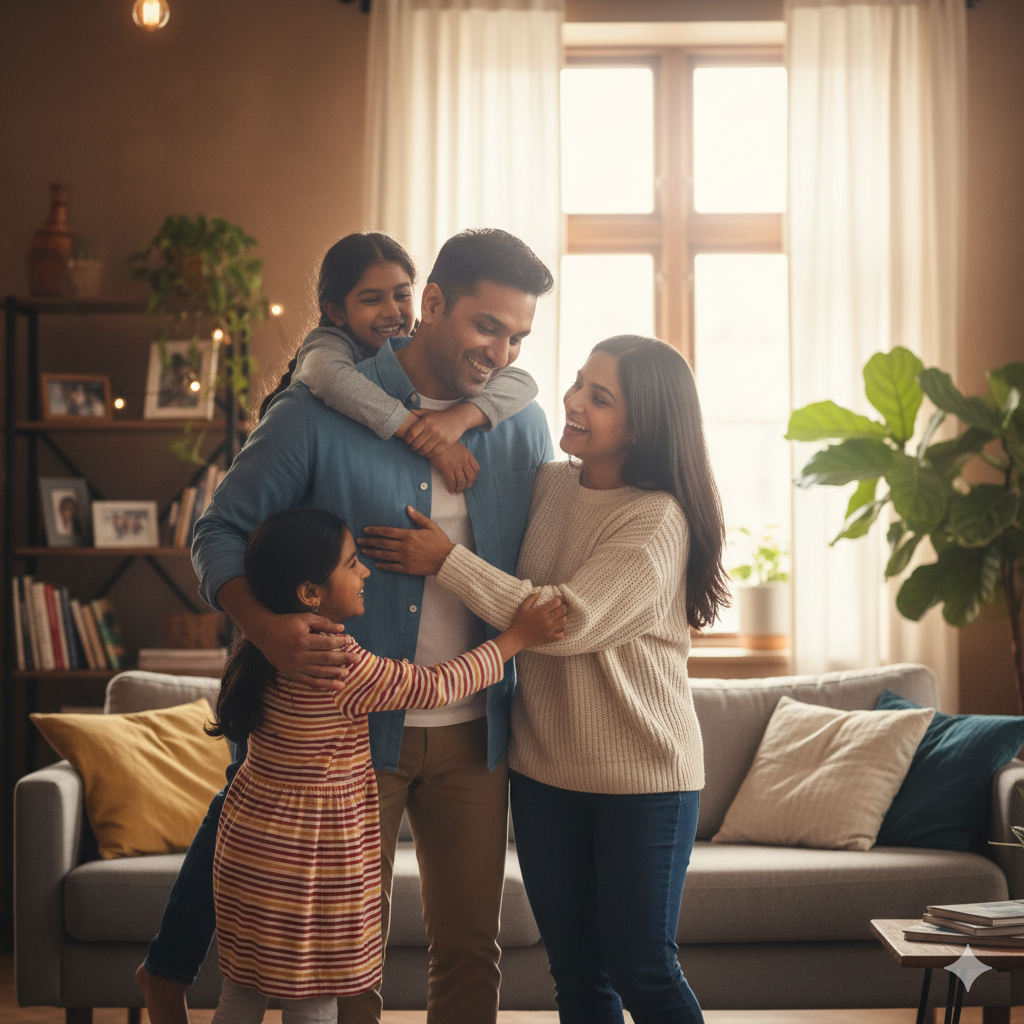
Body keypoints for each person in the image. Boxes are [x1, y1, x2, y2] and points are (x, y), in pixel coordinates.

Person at [136, 227, 555, 1024]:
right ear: (433, 303)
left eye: (517, 337)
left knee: (472, 948)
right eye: (486, 326)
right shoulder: (316, 412)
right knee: (344, 959)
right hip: (343, 739)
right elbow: (217, 532)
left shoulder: (520, 425)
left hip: (478, 731)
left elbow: (540, 565)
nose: (500, 353)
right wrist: (264, 626)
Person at [358, 335, 730, 1024]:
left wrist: (446, 561)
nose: (573, 401)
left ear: (641, 426)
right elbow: (513, 390)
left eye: (599, 396)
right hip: (543, 774)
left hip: (643, 781)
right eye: (579, 382)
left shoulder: (656, 519)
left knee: (643, 970)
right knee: (578, 975)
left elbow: (565, 621)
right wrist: (450, 430)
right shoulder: (551, 484)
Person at [205, 507, 565, 1024]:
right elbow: (436, 685)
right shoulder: (338, 661)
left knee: (242, 990)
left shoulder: (260, 649)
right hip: (308, 859)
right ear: (310, 592)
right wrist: (516, 639)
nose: (365, 572)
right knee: (314, 998)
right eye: (352, 563)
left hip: (249, 846)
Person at [262, 231, 539, 494]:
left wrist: (459, 418)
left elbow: (524, 382)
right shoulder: (327, 347)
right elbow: (328, 377)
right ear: (335, 312)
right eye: (372, 299)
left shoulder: (430, 342)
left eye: (403, 295)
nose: (393, 311)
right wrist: (425, 436)